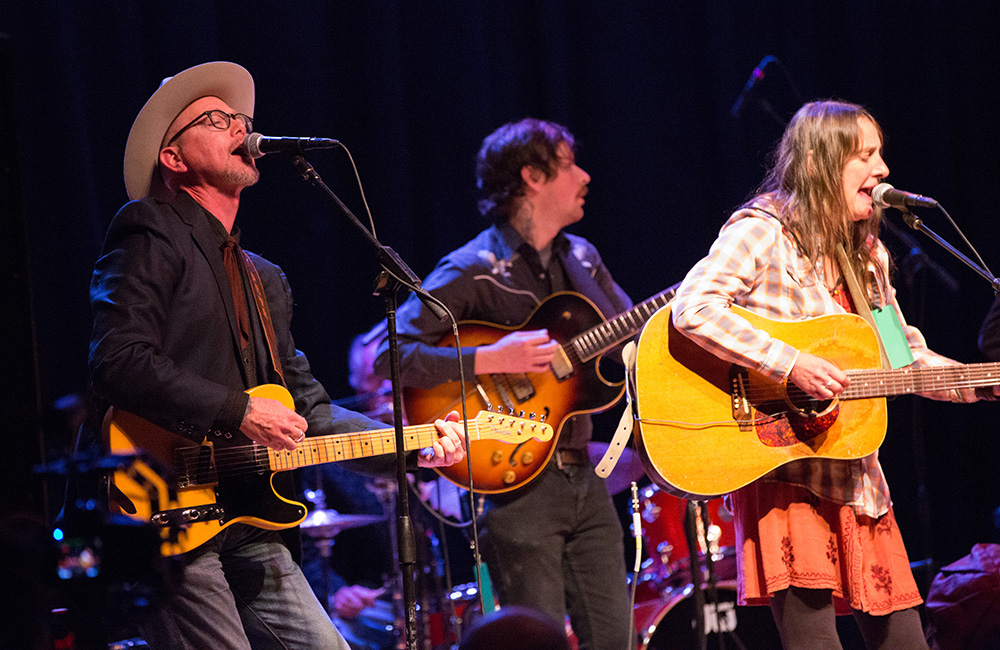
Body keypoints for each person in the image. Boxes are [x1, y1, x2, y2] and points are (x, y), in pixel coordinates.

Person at [88, 61, 466, 650]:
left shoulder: (264, 279)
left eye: (242, 119)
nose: (241, 128)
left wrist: (415, 445)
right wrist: (238, 411)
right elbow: (118, 360)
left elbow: (311, 414)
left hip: (249, 518)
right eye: (217, 120)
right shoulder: (149, 230)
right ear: (174, 158)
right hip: (162, 513)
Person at [670, 99, 998, 649]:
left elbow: (902, 359)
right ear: (824, 162)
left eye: (881, 155)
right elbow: (694, 308)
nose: (883, 170)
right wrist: (789, 362)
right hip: (787, 471)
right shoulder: (762, 231)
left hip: (858, 477)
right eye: (866, 155)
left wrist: (981, 379)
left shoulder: (867, 255)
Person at [374, 118, 633, 650]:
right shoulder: (472, 267)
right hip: (516, 487)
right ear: (532, 176)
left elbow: (636, 331)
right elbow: (390, 354)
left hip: (585, 479)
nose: (585, 175)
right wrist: (487, 358)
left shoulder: (582, 257)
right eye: (569, 165)